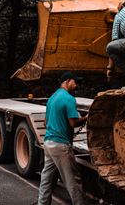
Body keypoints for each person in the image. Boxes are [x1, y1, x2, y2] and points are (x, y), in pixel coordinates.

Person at [38, 71, 87, 205]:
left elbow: (45, 123)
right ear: (67, 81)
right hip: (61, 146)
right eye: (75, 82)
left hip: (48, 143)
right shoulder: (69, 98)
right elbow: (73, 123)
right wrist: (87, 118)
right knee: (73, 181)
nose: (77, 85)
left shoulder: (52, 97)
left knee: (46, 179)